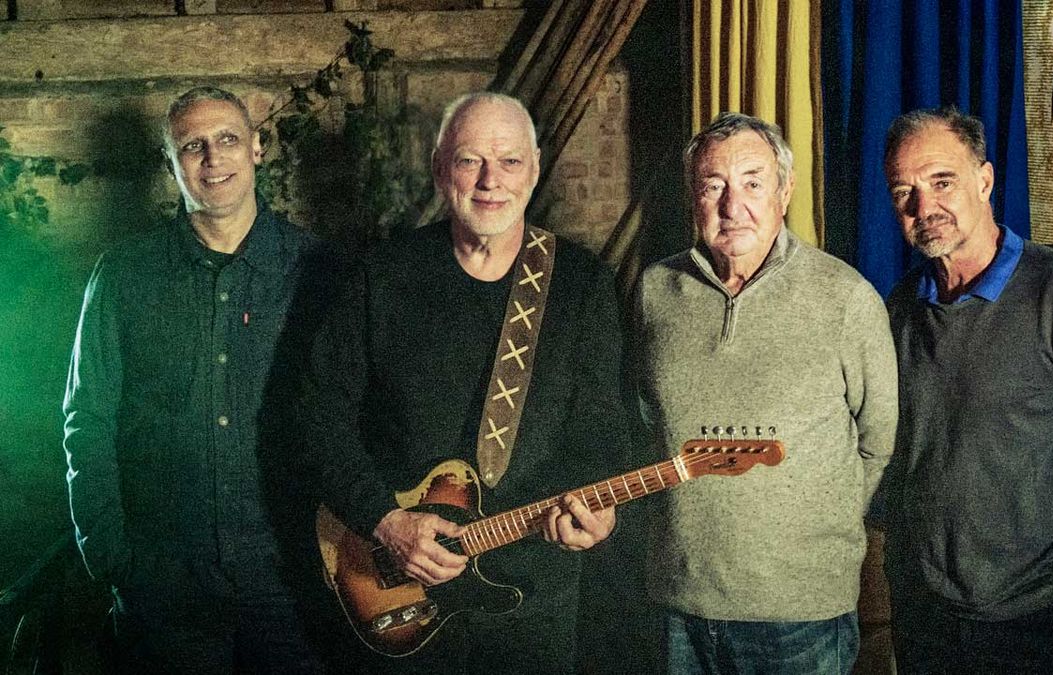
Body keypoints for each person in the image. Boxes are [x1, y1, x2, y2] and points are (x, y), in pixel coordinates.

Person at [300, 92, 631, 673]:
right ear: (439, 170)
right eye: (469, 160)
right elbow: (316, 418)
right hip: (400, 592)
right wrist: (386, 520)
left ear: (534, 169)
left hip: (534, 599)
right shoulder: (383, 275)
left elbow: (601, 430)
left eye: (509, 162)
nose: (490, 181)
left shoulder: (582, 285)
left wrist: (597, 510)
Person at [881, 106, 1053, 673]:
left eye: (942, 181)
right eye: (903, 190)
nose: (923, 206)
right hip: (926, 623)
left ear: (984, 181)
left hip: (1047, 625)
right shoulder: (901, 308)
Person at [63, 86, 329, 673]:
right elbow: (88, 419)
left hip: (289, 582)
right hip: (165, 588)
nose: (214, 158)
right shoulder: (125, 275)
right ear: (170, 164)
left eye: (228, 139)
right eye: (192, 146)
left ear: (257, 149)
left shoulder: (317, 270)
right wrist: (112, 558)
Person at [634, 112, 898, 674]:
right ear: (693, 198)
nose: (734, 206)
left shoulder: (846, 298)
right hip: (677, 604)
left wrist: (814, 528)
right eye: (714, 187)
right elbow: (641, 423)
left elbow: (880, 442)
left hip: (799, 614)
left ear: (785, 190)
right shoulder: (656, 290)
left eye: (753, 183)